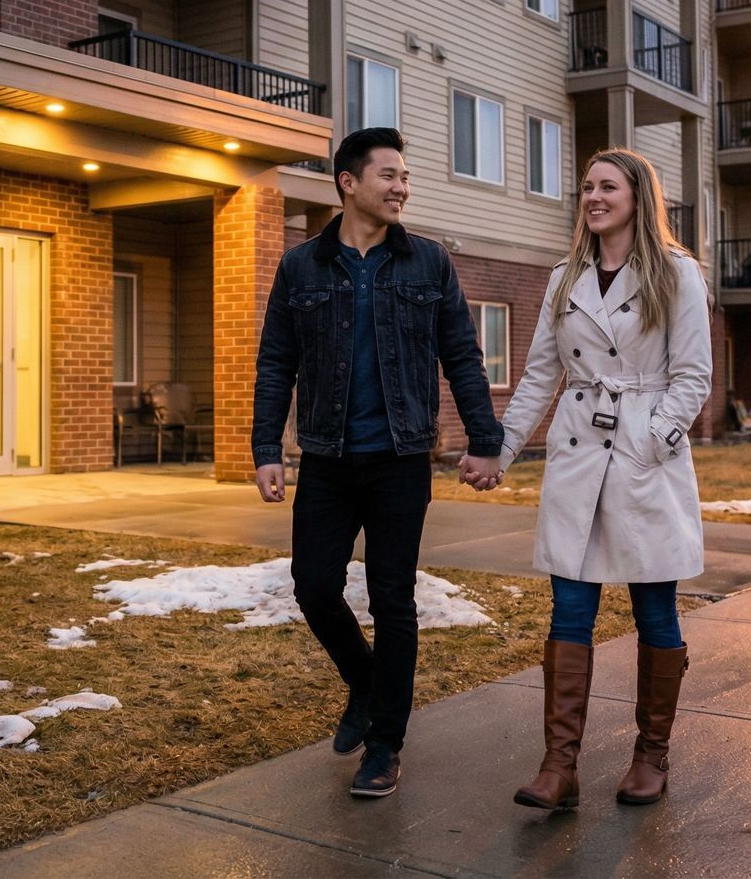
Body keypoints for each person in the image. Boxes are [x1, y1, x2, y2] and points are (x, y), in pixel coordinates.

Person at [252, 126, 505, 799]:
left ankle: (384, 745)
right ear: (349, 183)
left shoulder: (428, 262)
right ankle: (365, 681)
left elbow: (461, 356)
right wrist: (265, 448)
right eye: (389, 175)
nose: (402, 187)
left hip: (400, 458)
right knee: (313, 584)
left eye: (404, 177)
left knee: (394, 599)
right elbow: (276, 361)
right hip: (328, 458)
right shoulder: (300, 267)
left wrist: (485, 438)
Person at [461, 147, 711, 811]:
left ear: (637, 196)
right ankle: (559, 767)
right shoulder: (563, 277)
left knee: (654, 608)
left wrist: (651, 441)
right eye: (586, 188)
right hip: (577, 455)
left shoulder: (677, 274)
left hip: (642, 457)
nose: (593, 197)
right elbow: (540, 373)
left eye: (607, 186)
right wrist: (500, 450)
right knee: (571, 607)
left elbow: (693, 378)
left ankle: (650, 756)